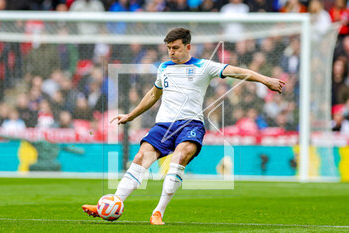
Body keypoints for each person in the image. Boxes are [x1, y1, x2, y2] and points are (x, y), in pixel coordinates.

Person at [82, 28, 285, 225]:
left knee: (178, 158)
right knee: (140, 158)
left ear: (188, 47)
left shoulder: (204, 66)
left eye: (176, 48)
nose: (171, 52)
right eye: (169, 48)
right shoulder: (164, 68)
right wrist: (131, 115)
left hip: (191, 125)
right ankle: (110, 205)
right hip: (163, 125)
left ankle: (157, 213)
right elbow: (154, 94)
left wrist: (266, 80)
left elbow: (236, 71)